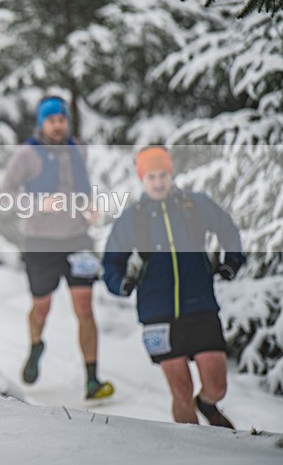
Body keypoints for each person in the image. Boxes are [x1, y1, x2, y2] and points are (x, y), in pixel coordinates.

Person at [102, 146, 244, 427]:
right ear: (142, 179)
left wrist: (232, 262)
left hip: (200, 305)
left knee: (217, 386)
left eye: (162, 175)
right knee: (180, 391)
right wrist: (121, 284)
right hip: (157, 314)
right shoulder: (134, 217)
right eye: (151, 176)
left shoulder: (195, 205)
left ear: (171, 174)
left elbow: (229, 230)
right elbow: (110, 262)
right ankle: (192, 453)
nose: (158, 182)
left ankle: (206, 404)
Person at [2, 96, 114, 400]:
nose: (57, 125)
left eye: (61, 119)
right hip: (40, 242)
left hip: (78, 239)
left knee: (84, 308)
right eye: (51, 120)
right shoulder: (27, 154)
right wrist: (39, 204)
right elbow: (6, 195)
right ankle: (36, 345)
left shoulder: (79, 149)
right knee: (42, 307)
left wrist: (92, 204)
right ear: (42, 123)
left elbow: (83, 183)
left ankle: (92, 379)